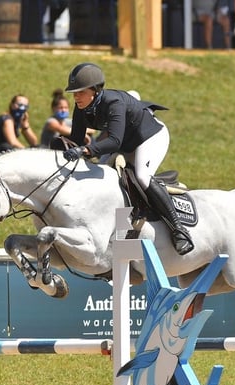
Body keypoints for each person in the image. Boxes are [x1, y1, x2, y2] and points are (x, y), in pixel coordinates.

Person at [60, 62, 194, 256]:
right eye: (74, 92)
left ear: (95, 91)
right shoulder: (81, 108)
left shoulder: (114, 103)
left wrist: (85, 151)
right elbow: (75, 140)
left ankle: (179, 229)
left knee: (142, 176)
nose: (76, 96)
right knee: (103, 176)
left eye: (80, 92)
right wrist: (62, 149)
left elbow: (113, 141)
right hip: (126, 144)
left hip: (150, 137)